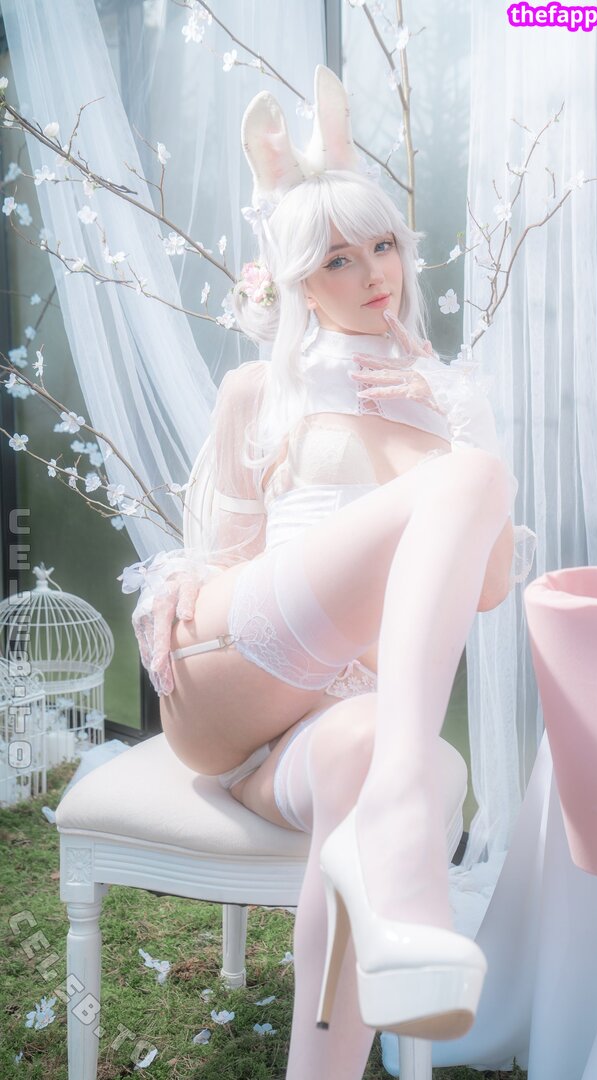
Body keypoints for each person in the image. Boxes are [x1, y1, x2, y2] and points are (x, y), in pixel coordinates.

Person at [123, 66, 532, 1080]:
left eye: (381, 246)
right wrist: (170, 589)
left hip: (327, 727)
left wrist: (462, 420)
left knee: (369, 753)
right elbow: (215, 555)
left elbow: (487, 590)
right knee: (469, 481)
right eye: (338, 259)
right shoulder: (261, 390)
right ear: (300, 282)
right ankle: (404, 810)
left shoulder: (443, 400)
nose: (372, 273)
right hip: (229, 680)